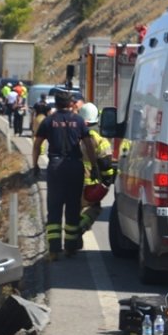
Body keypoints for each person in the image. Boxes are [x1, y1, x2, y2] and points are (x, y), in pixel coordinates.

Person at [33, 89, 101, 260]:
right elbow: (89, 145)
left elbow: (37, 144)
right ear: (71, 104)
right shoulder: (78, 121)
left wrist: (34, 165)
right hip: (75, 167)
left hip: (55, 168)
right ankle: (70, 248)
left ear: (55, 103)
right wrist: (94, 166)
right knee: (72, 208)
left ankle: (54, 251)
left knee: (54, 208)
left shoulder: (48, 121)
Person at [77, 103, 115, 230]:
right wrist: (107, 181)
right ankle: (80, 228)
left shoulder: (73, 135)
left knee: (74, 210)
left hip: (70, 181)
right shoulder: (99, 140)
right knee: (94, 208)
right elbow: (106, 163)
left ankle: (71, 240)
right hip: (90, 183)